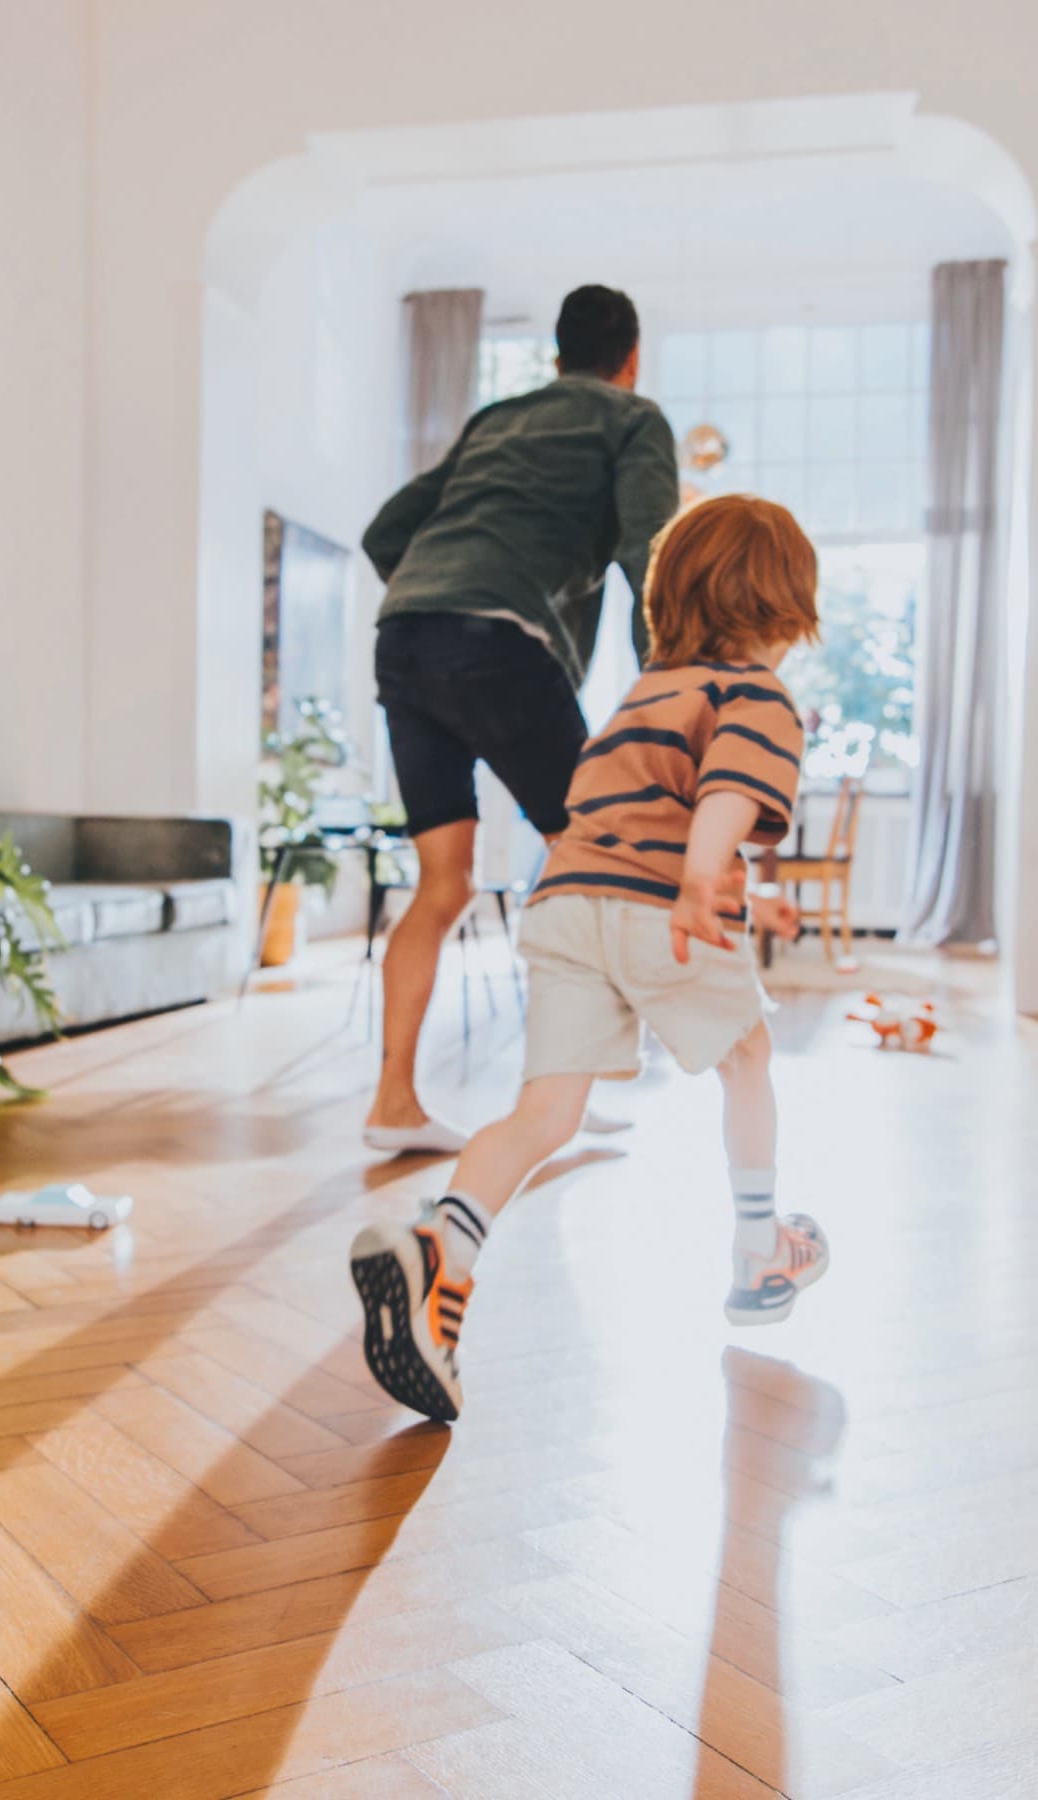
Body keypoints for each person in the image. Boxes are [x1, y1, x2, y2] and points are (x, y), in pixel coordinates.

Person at [349, 494, 826, 1422]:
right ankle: (761, 1253)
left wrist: (709, 876)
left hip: (566, 910)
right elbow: (728, 790)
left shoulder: (643, 695)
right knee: (751, 1058)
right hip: (661, 910)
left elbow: (619, 813)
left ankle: (442, 1255)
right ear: (785, 607)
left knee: (543, 1115)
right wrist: (700, 879)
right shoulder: (756, 694)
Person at [361, 284, 681, 1156]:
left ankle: (392, 1105)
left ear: (555, 356)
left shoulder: (497, 419)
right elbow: (647, 549)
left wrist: (440, 586)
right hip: (496, 644)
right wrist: (669, 677)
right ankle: (562, 1101)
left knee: (443, 884)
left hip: (406, 636)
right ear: (632, 356)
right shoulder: (633, 418)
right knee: (596, 855)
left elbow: (389, 529)